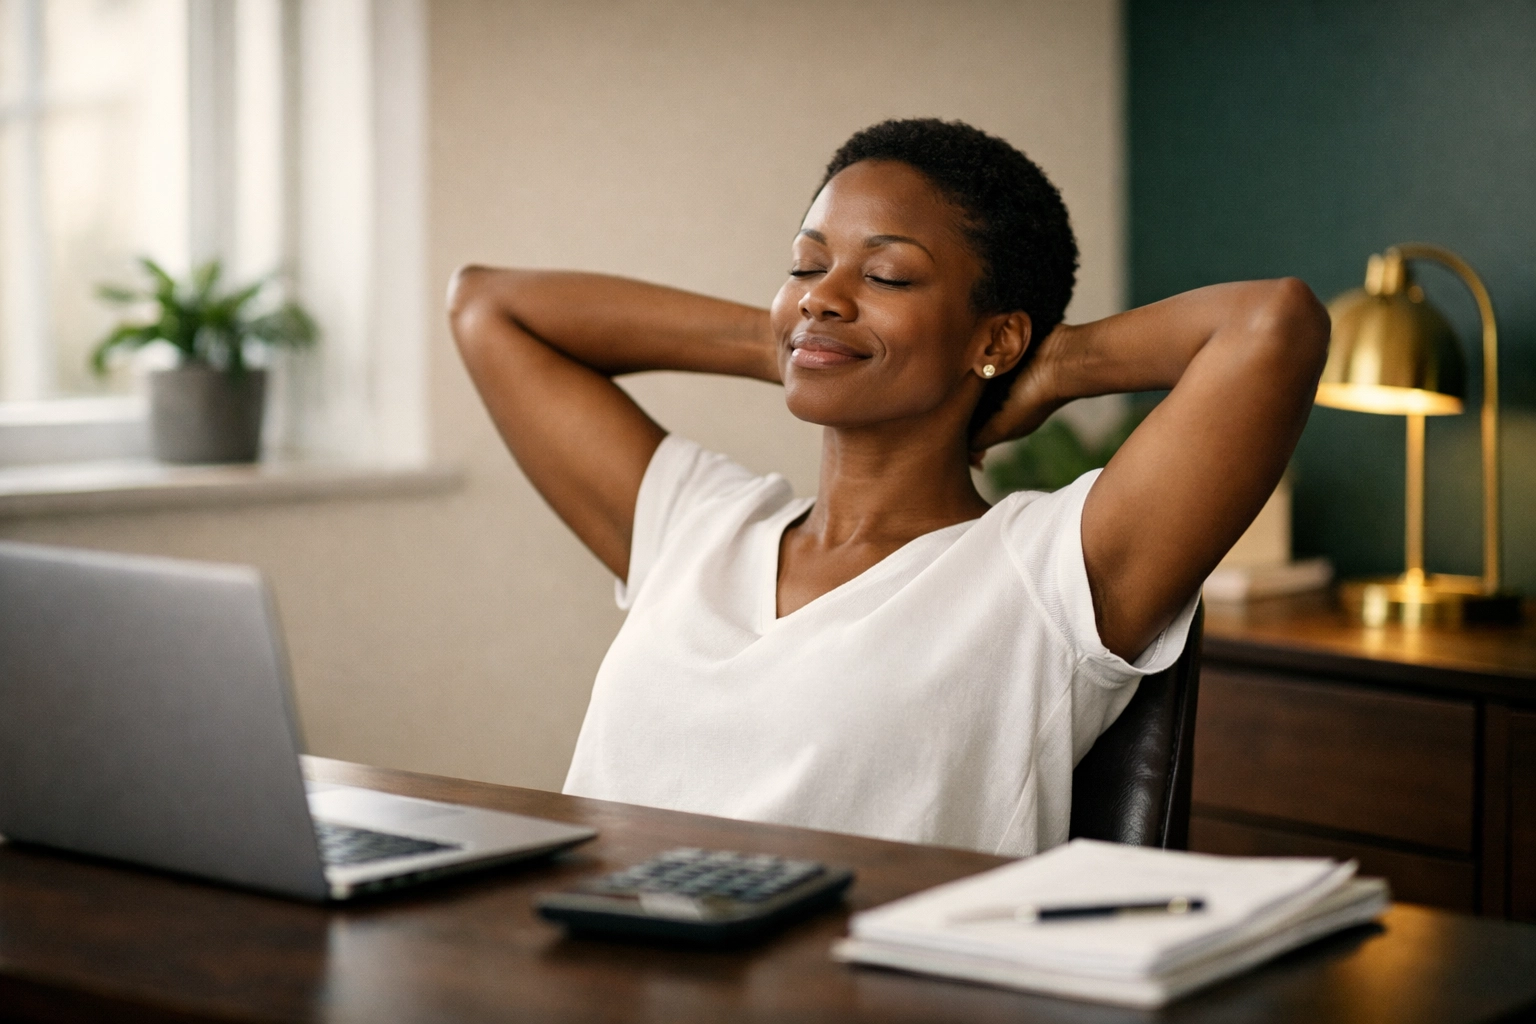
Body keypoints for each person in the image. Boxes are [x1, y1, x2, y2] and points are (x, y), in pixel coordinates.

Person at [448, 119, 1329, 856]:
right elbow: (488, 307)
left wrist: (1049, 364)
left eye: (887, 274)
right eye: (804, 265)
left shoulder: (1046, 574)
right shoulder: (697, 526)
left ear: (994, 337)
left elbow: (1270, 325)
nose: (824, 294)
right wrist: (792, 337)